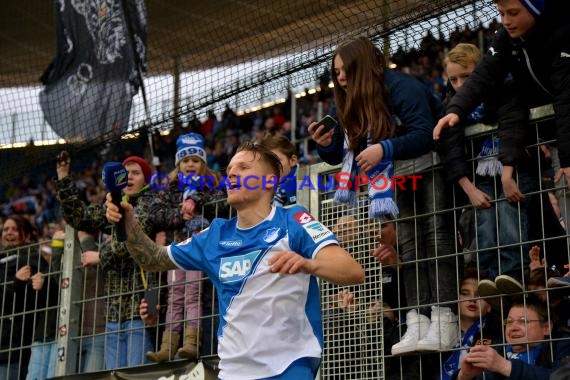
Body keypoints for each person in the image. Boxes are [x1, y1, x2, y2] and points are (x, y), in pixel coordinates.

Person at [106, 141, 365, 379]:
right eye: (229, 169)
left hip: (288, 366)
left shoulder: (293, 220)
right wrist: (130, 225)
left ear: (269, 180)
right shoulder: (215, 234)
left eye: (243, 167)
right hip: (232, 372)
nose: (231, 174)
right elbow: (154, 258)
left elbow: (352, 271)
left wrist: (309, 264)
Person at [309, 36, 459, 354]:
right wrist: (325, 144)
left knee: (436, 236)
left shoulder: (402, 86)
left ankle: (446, 317)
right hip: (398, 176)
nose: (340, 77)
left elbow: (426, 132)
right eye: (335, 72)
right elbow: (342, 154)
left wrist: (384, 147)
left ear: (362, 64)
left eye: (344, 70)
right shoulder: (348, 99)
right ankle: (417, 321)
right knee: (409, 243)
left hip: (431, 166)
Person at [433, 0, 570, 192]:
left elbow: (566, 97)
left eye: (513, 13)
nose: (505, 21)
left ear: (535, 9)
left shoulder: (563, 33)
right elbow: (484, 74)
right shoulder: (505, 39)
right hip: (558, 136)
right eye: (502, 13)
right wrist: (456, 110)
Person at [436, 42, 539, 298]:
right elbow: (450, 148)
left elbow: (513, 125)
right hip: (480, 178)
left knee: (508, 218)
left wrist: (507, 174)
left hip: (513, 172)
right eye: (454, 79)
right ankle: (491, 278)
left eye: (467, 77)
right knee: (485, 226)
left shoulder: (504, 87)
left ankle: (513, 276)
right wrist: (469, 189)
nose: (460, 85)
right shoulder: (451, 103)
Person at [55, 152, 159, 369]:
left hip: (140, 310)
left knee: (137, 374)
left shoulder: (149, 204)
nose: (129, 176)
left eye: (135, 173)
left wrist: (101, 256)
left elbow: (128, 243)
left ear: (146, 179)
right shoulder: (111, 206)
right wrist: (63, 176)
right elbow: (78, 217)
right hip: (113, 314)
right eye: (125, 172)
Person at [144, 132, 227, 363]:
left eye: (196, 160)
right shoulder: (170, 189)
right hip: (177, 248)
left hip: (198, 248)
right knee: (175, 295)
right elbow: (157, 214)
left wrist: (195, 200)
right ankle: (168, 346)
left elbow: (219, 201)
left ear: (203, 164)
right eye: (186, 160)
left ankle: (191, 342)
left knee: (193, 292)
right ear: (178, 164)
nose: (190, 164)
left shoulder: (212, 185)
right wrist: (180, 214)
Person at [54, 151, 107, 373]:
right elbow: (59, 274)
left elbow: (91, 271)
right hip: (72, 333)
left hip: (97, 331)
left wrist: (84, 239)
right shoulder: (73, 246)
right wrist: (63, 175)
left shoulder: (101, 248)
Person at [455, 295, 570, 380]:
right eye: (509, 322)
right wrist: (464, 377)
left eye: (522, 321)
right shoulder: (497, 348)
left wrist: (504, 366)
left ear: (546, 327)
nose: (513, 328)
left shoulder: (562, 345)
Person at [0, 215, 45, 380]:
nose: (9, 233)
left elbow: (33, 300)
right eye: (5, 229)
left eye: (14, 229)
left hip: (17, 345)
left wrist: (17, 284)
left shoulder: (31, 260)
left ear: (25, 234)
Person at [441, 267, 503, 380]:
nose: (472, 299)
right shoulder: (438, 334)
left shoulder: (500, 335)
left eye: (479, 295)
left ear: (489, 306)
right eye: (465, 293)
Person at [258, 133, 299, 207]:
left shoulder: (307, 182)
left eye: (276, 161)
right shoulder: (263, 190)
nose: (271, 167)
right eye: (267, 163)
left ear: (292, 161)